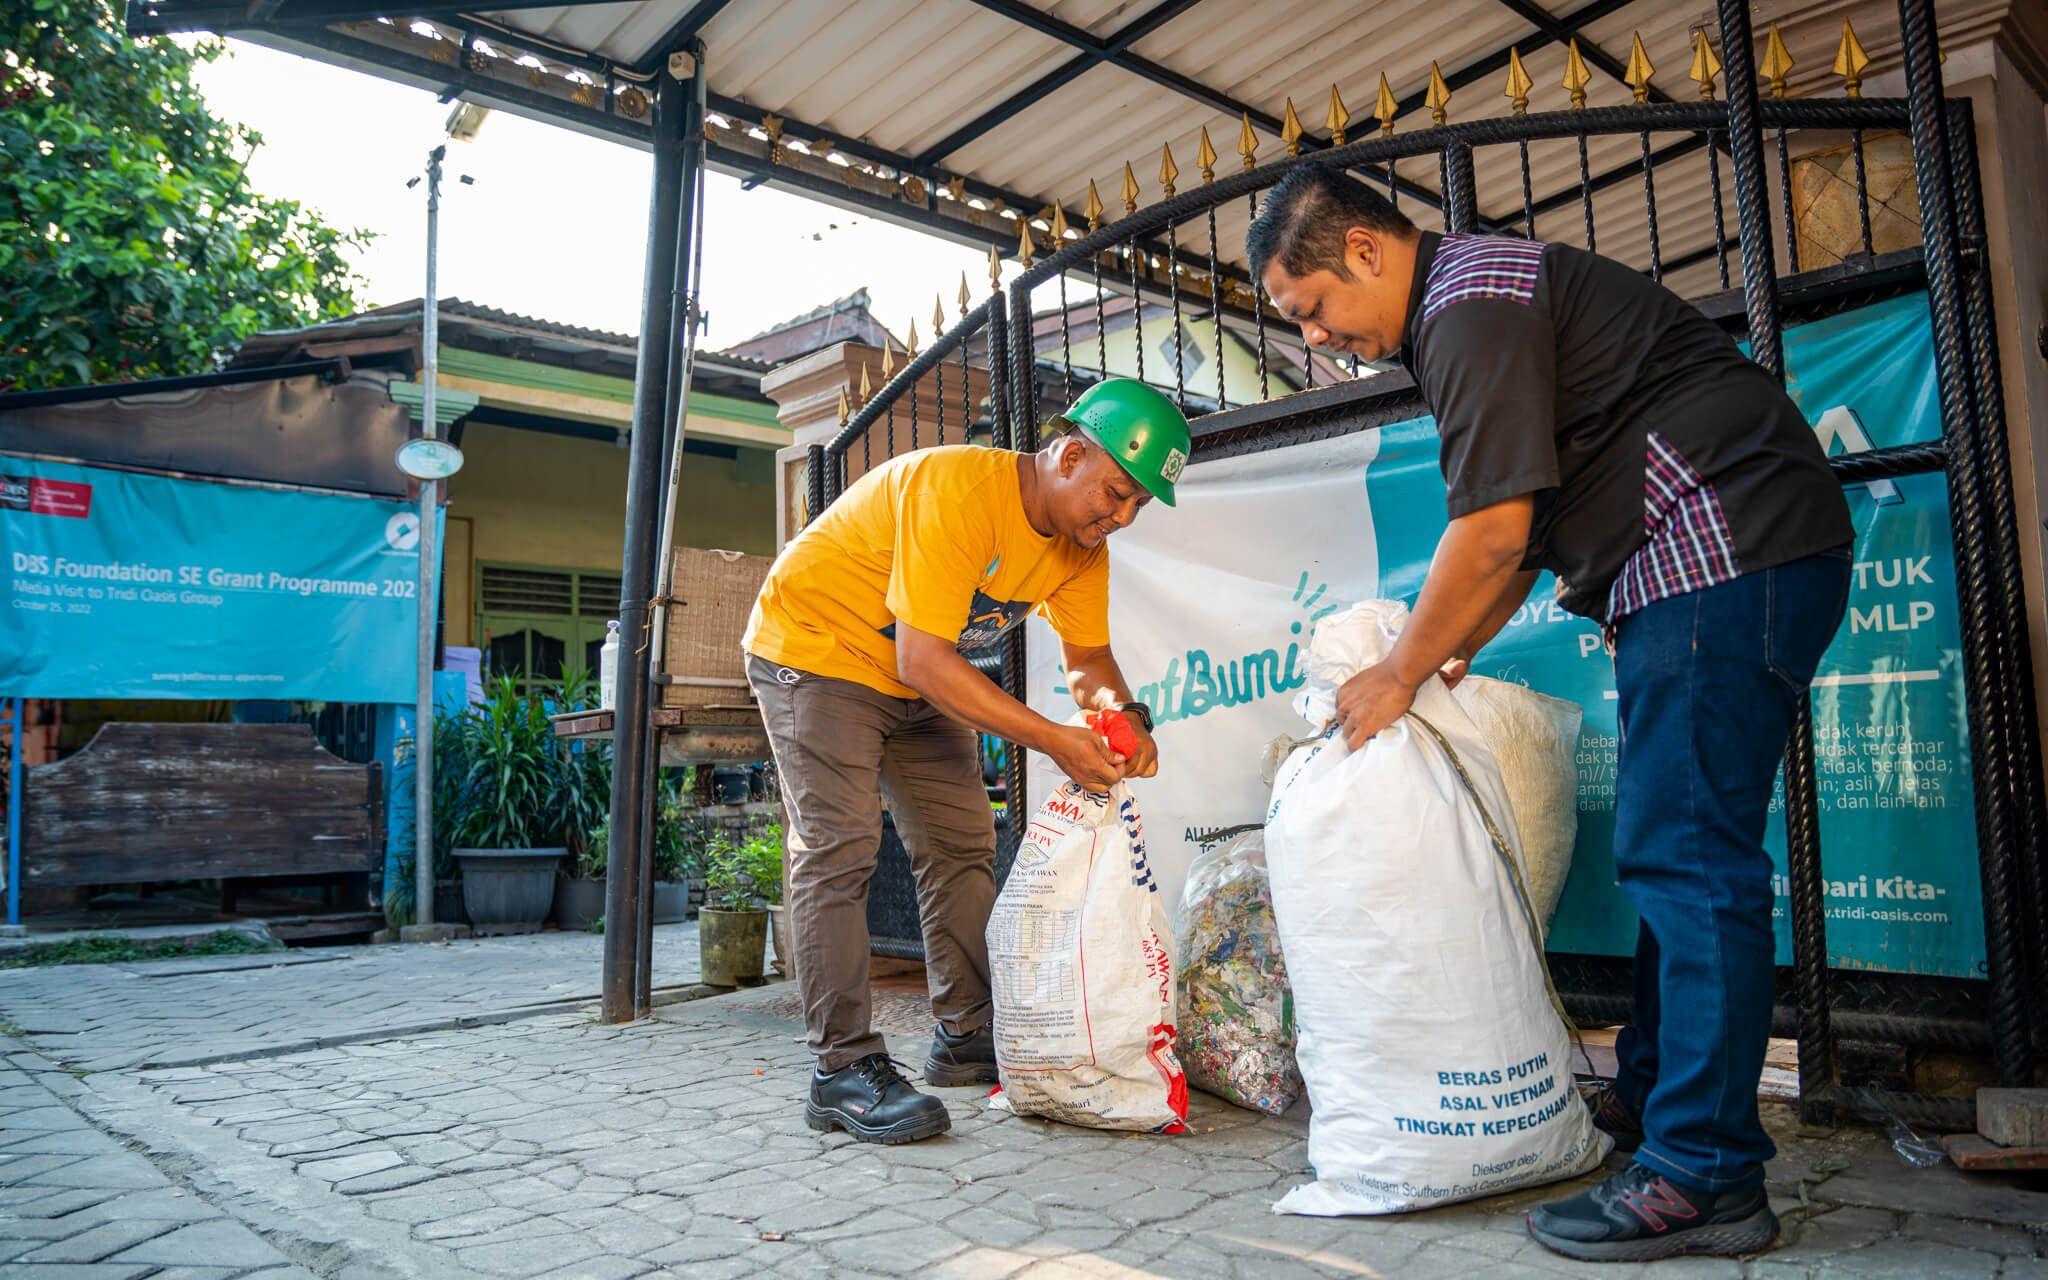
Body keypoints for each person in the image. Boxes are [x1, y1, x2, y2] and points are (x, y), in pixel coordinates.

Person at [1247, 166, 1852, 1261]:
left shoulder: (1468, 303)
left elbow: (1487, 527)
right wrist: (1454, 650)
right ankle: (1660, 1103)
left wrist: (1397, 672)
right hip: (1712, 559)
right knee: (1668, 852)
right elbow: (1519, 536)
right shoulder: (1466, 311)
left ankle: (1702, 1173)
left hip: (1718, 541)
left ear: (1368, 251)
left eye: (1315, 307)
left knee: (1686, 858)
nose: (1322, 336)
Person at [742, 377, 1189, 1144]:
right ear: (1069, 453)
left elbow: (1088, 658)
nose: (1118, 517)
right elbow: (924, 657)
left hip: (917, 672)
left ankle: (966, 1033)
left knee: (963, 845)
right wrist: (1054, 737)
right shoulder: (959, 490)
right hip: (817, 652)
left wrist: (1125, 716)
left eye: (1136, 507)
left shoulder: (1082, 552)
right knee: (841, 846)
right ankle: (841, 1071)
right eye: (1115, 492)